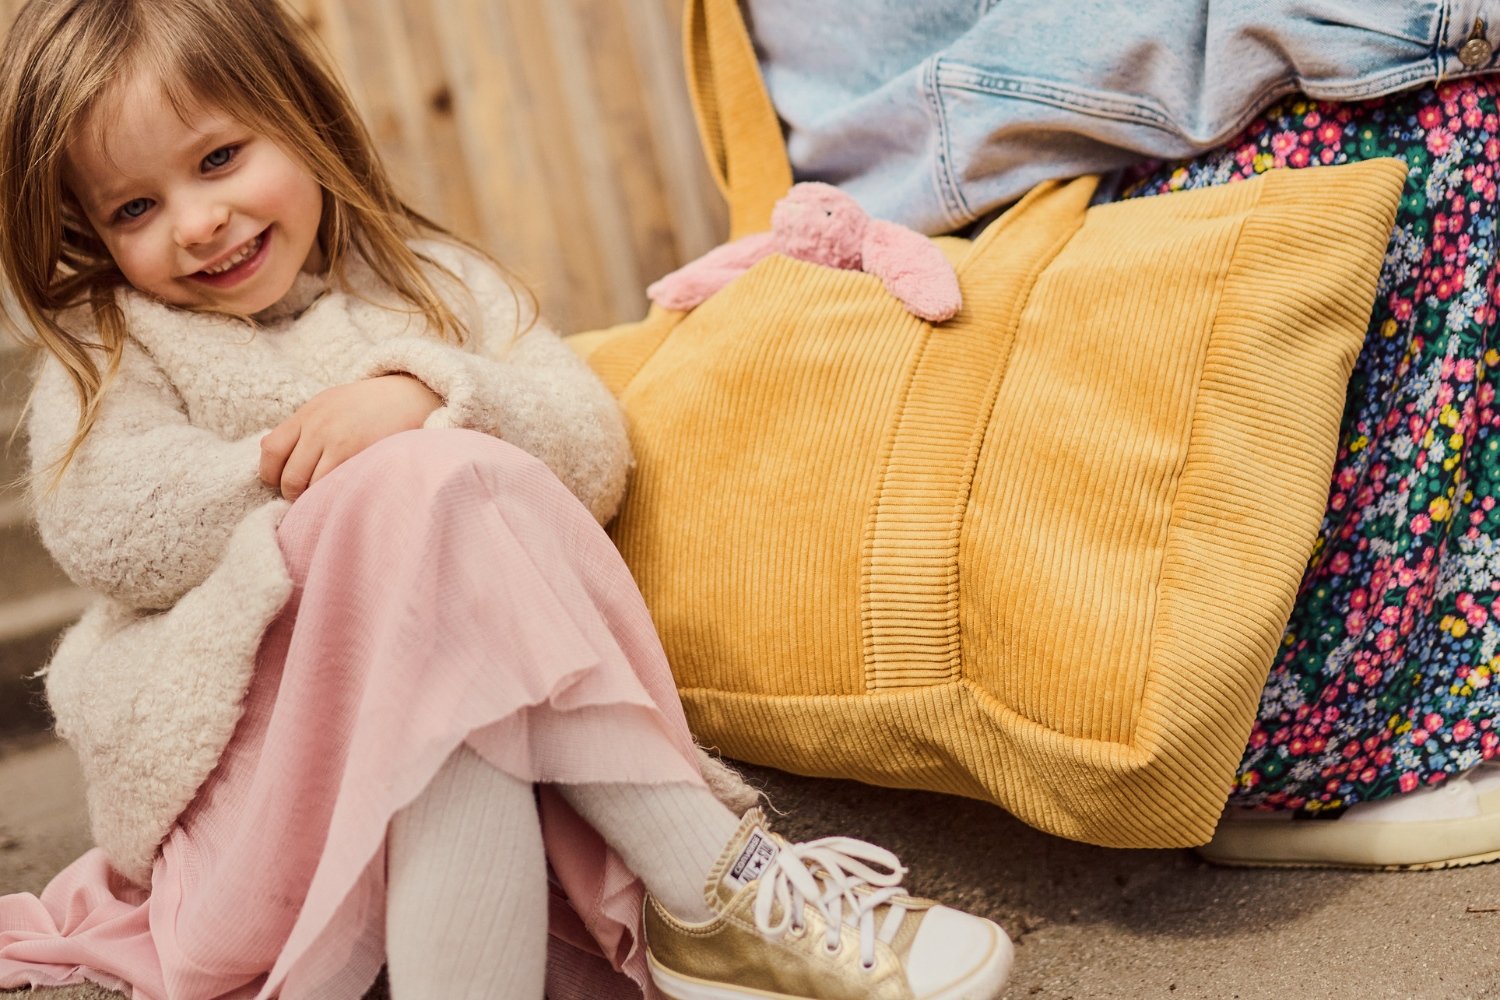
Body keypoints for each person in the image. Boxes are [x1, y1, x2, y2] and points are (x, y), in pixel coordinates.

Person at [0, 1, 1015, 998]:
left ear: (297, 110)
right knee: (416, 500)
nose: (196, 221)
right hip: (259, 796)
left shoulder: (431, 284)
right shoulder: (118, 344)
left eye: (219, 158)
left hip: (456, 768)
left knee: (444, 586)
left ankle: (706, 903)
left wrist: (427, 399)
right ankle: (715, 885)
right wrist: (320, 467)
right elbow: (108, 525)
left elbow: (589, 447)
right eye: (134, 209)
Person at [744, 0, 1500, 869]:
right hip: (989, 163)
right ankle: (1315, 760)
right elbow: (1069, 62)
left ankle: (1433, 690)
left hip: (1060, 124)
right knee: (1437, 123)